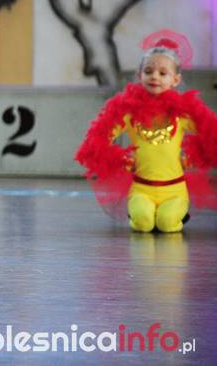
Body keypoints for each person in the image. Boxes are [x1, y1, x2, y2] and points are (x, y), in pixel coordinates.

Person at [76, 31, 217, 232]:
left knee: (167, 224)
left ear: (175, 80)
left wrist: (192, 159)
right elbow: (99, 139)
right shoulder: (128, 112)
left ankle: (174, 215)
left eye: (163, 73)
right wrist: (122, 161)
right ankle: (140, 215)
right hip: (142, 188)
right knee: (143, 224)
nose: (154, 77)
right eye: (148, 71)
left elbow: (210, 134)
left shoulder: (183, 113)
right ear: (139, 75)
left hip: (174, 189)